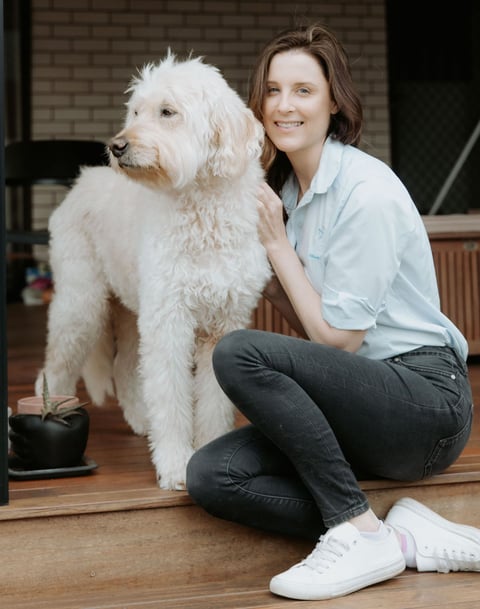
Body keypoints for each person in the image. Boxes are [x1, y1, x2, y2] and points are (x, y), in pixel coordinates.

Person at [186, 22, 480, 601]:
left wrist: (274, 244)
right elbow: (317, 330)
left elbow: (339, 341)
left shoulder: (364, 193)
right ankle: (394, 536)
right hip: (355, 402)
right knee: (212, 475)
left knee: (240, 352)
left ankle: (353, 527)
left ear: (333, 103)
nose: (283, 105)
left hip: (424, 405)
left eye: (303, 90)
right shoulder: (289, 192)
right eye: (272, 90)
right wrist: (266, 278)